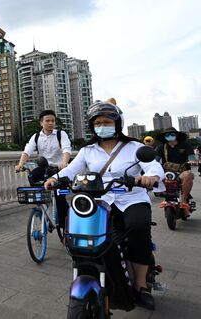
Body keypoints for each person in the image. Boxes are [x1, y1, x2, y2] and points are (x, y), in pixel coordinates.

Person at [44, 101, 164, 310]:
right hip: (100, 201)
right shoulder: (88, 150)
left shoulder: (135, 147)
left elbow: (152, 165)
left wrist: (150, 177)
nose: (102, 125)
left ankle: (141, 285)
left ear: (117, 124)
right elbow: (70, 171)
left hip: (131, 199)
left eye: (107, 122)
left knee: (138, 229)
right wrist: (54, 179)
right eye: (97, 122)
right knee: (81, 233)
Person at [16, 109, 71, 234]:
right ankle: (43, 206)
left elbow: (66, 149)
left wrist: (64, 162)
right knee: (32, 177)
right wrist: (20, 164)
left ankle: (65, 227)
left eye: (52, 121)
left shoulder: (61, 134)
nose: (50, 123)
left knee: (60, 198)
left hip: (57, 169)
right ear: (41, 123)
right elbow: (27, 151)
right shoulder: (36, 137)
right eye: (47, 121)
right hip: (43, 167)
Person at [155, 127, 196, 216]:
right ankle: (166, 198)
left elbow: (191, 156)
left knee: (188, 175)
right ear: (165, 137)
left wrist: (192, 160)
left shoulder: (185, 145)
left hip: (183, 171)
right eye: (167, 135)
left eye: (172, 134)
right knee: (155, 176)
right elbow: (156, 160)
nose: (169, 136)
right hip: (167, 172)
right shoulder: (161, 147)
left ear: (176, 135)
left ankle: (183, 201)